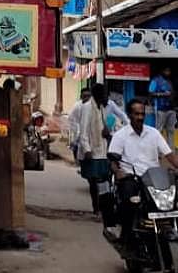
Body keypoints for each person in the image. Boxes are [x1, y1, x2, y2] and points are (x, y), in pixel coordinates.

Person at [107, 96, 178, 249]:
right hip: (132, 178)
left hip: (153, 179)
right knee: (129, 201)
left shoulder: (154, 133)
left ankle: (170, 227)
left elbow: (169, 155)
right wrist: (118, 172)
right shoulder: (121, 135)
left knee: (173, 199)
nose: (140, 117)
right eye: (136, 114)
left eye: (142, 114)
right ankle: (125, 235)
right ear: (129, 115)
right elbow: (113, 161)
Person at [79, 83, 114, 219]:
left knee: (104, 181)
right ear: (99, 95)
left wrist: (108, 131)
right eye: (104, 94)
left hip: (103, 150)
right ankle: (96, 208)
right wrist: (86, 149)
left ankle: (104, 208)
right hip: (92, 151)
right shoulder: (87, 108)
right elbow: (84, 131)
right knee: (93, 182)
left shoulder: (102, 108)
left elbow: (107, 125)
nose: (106, 97)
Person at [68, 86, 91, 162]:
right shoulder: (77, 106)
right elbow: (71, 119)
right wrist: (76, 132)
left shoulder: (92, 107)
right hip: (77, 131)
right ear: (81, 97)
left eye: (88, 96)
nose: (87, 98)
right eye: (85, 96)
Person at [148, 65, 173, 131]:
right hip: (160, 108)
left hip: (170, 109)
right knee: (159, 129)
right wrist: (163, 94)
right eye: (166, 71)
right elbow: (150, 92)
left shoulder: (169, 82)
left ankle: (169, 142)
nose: (168, 73)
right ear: (162, 71)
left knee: (170, 130)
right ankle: (157, 141)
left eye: (169, 71)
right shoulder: (156, 80)